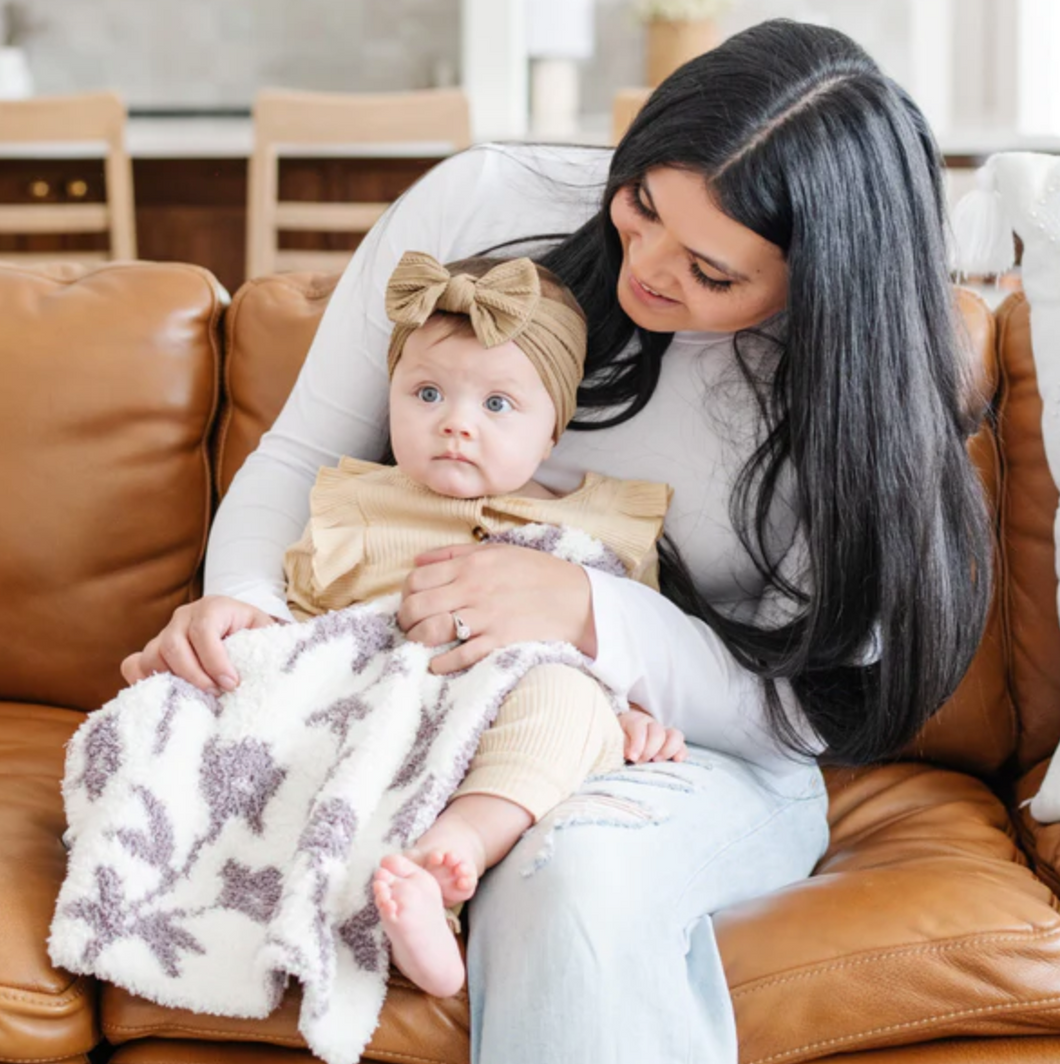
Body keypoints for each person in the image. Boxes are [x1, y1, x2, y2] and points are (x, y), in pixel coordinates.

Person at [121, 18, 992, 1063]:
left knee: (568, 878)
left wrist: (587, 612)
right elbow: (303, 452)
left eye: (712, 273)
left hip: (697, 749)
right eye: (640, 206)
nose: (648, 267)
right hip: (404, 698)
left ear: (818, 281)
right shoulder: (485, 204)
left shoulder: (854, 397)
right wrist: (246, 612)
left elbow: (800, 713)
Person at [281, 248, 683, 997]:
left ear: (553, 431)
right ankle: (406, 902)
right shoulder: (355, 511)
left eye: (496, 406)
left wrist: (633, 716)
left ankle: (452, 856)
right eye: (427, 393)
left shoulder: (601, 528)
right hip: (394, 708)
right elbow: (303, 635)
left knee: (564, 699)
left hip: (517, 705)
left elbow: (624, 649)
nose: (456, 425)